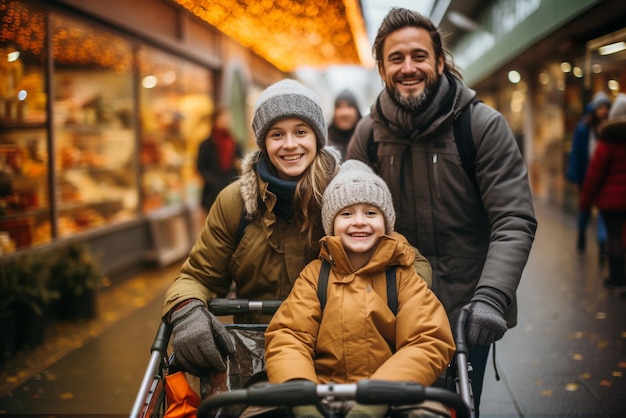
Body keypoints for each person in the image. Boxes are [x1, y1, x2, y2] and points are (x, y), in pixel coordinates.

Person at [162, 79, 432, 377]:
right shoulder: (236, 203)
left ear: (317, 136)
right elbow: (198, 274)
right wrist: (187, 309)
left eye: (301, 132)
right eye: (277, 134)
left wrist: (378, 306)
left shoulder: (346, 191)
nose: (290, 145)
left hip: (347, 357)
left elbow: (405, 259)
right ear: (263, 141)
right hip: (262, 358)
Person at [346, 8, 537, 416]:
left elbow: (513, 219)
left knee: (456, 407)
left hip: (466, 311)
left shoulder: (481, 126)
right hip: (391, 311)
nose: (408, 67)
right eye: (396, 58)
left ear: (439, 61)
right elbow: (344, 220)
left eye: (419, 56)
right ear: (381, 67)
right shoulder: (369, 135)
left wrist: (491, 298)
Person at [265, 160, 455, 418]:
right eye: (346, 214)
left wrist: (378, 396)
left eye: (370, 213)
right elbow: (289, 337)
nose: (359, 222)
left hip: (393, 397)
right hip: (323, 394)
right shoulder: (315, 277)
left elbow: (427, 340)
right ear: (331, 224)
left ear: (386, 223)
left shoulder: (402, 278)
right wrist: (301, 397)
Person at [579, 92, 626, 291]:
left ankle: (617, 278)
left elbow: (594, 174)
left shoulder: (607, 139)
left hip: (610, 201)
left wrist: (585, 201)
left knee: (615, 239)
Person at [566, 92, 611, 262]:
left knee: (602, 213)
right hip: (586, 177)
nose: (604, 111)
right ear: (594, 108)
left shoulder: (608, 128)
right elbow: (576, 154)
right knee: (584, 211)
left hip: (604, 179)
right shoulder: (583, 128)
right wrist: (575, 179)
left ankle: (602, 246)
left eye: (606, 107)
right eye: (601, 107)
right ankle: (582, 236)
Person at [196, 107, 242, 216]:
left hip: (232, 191)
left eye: (227, 119)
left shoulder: (234, 143)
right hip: (212, 192)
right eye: (223, 119)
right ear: (215, 121)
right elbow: (200, 167)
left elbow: (240, 162)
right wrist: (214, 182)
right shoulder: (206, 145)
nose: (226, 121)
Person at [327, 89, 362, 159]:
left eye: (349, 106)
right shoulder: (324, 142)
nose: (344, 113)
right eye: (339, 106)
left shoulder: (368, 139)